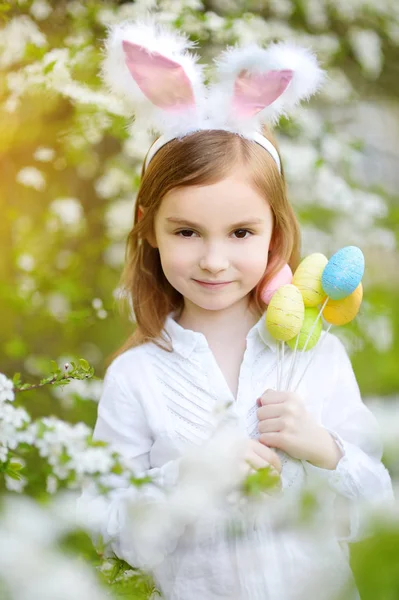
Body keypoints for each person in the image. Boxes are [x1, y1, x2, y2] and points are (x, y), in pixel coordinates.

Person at [78, 17, 393, 600]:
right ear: (149, 229)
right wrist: (194, 476)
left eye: (242, 232)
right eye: (188, 232)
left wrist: (323, 448)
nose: (215, 260)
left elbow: (379, 503)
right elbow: (107, 526)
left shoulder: (315, 353)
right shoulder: (137, 375)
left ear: (275, 234)